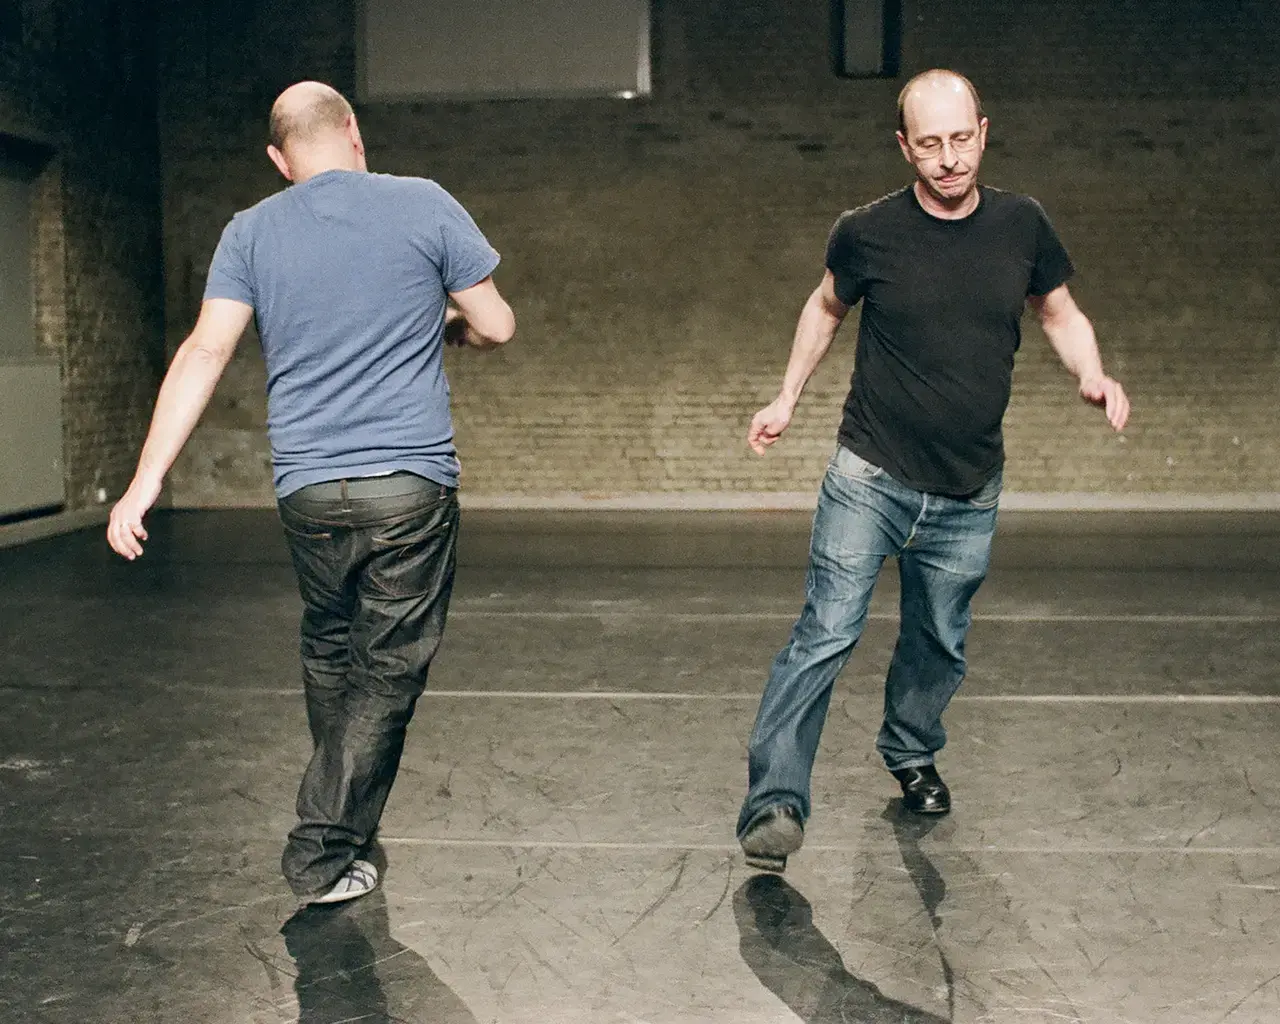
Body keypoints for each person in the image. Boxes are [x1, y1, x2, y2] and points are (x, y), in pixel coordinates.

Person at [107, 81, 515, 904]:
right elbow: (497, 324)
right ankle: (322, 846)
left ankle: (350, 834)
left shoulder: (250, 231)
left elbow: (204, 352)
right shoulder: (423, 203)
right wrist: (440, 321)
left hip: (307, 491)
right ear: (354, 134)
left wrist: (144, 481)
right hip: (407, 486)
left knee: (332, 652)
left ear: (278, 158)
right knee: (388, 668)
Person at [736, 69, 1129, 873]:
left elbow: (1059, 311)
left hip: (968, 486)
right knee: (826, 632)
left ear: (983, 131)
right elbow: (824, 306)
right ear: (904, 146)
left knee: (938, 642)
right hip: (869, 473)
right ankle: (775, 801)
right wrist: (785, 397)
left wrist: (1091, 372)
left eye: (960, 140)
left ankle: (910, 749)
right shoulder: (867, 231)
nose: (948, 159)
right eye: (929, 144)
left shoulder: (1024, 224)